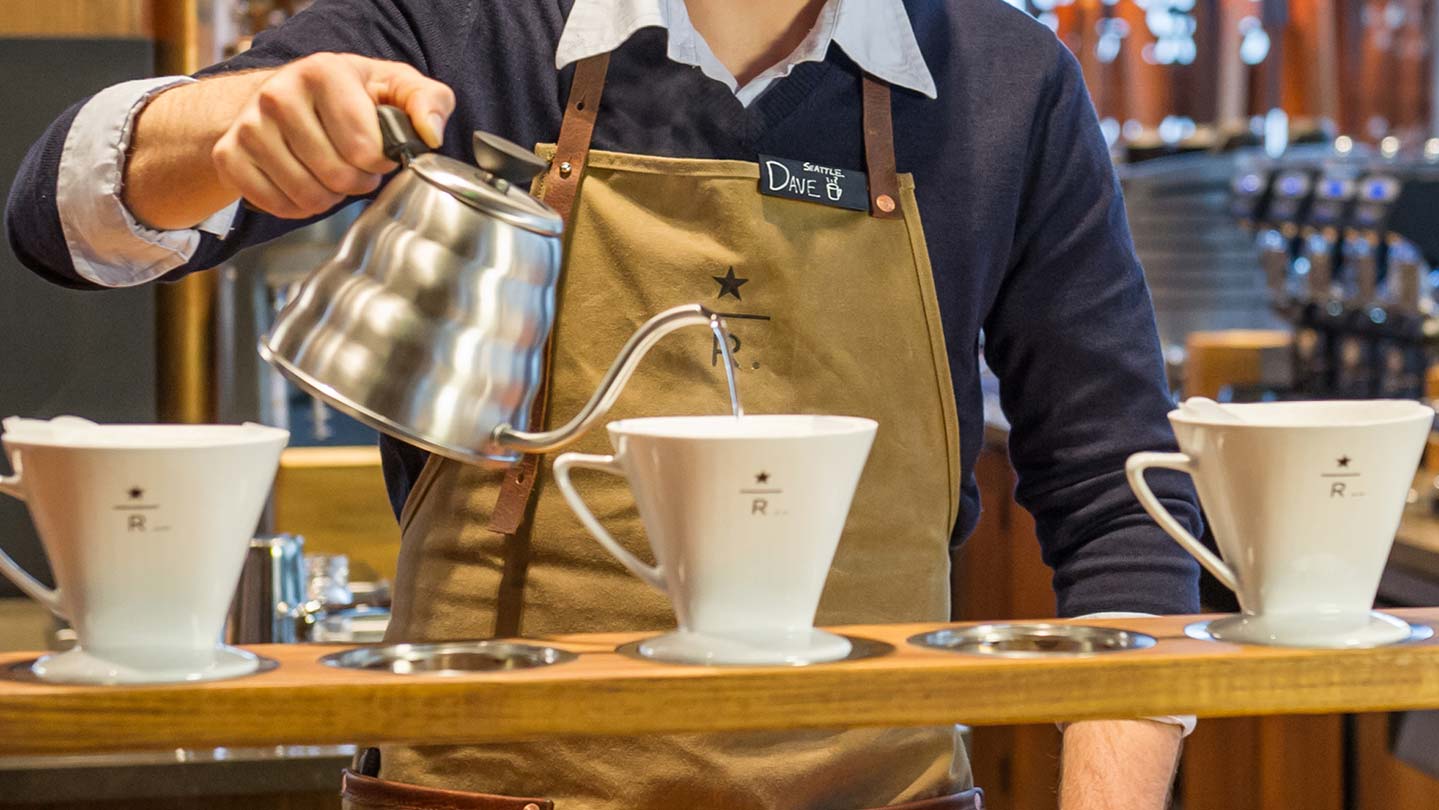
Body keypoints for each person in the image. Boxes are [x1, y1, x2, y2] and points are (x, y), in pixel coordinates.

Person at [5, 1, 1205, 808]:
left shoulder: (1006, 83)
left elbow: (1125, 506)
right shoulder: (461, 28)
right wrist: (228, 130)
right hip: (476, 791)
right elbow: (65, 213)